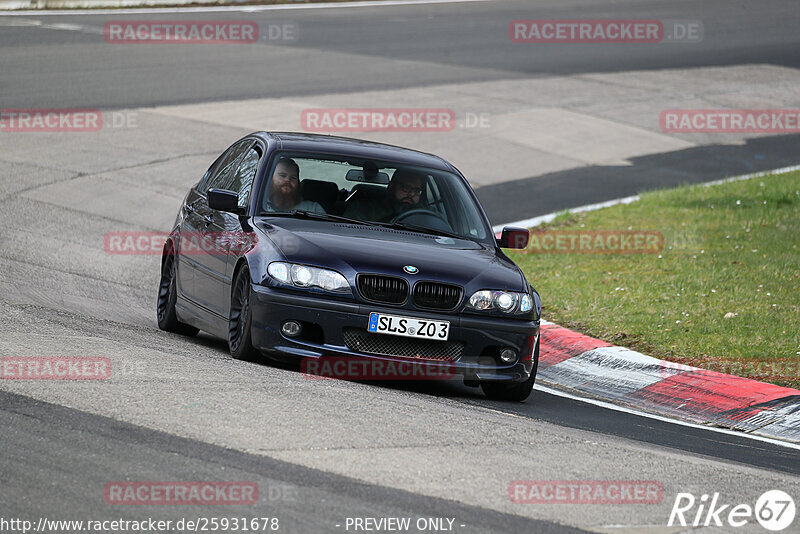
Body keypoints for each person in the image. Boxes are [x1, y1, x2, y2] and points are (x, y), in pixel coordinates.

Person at [344, 168, 424, 222]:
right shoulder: (363, 209)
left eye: (416, 190)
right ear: (391, 186)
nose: (412, 194)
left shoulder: (424, 215)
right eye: (406, 187)